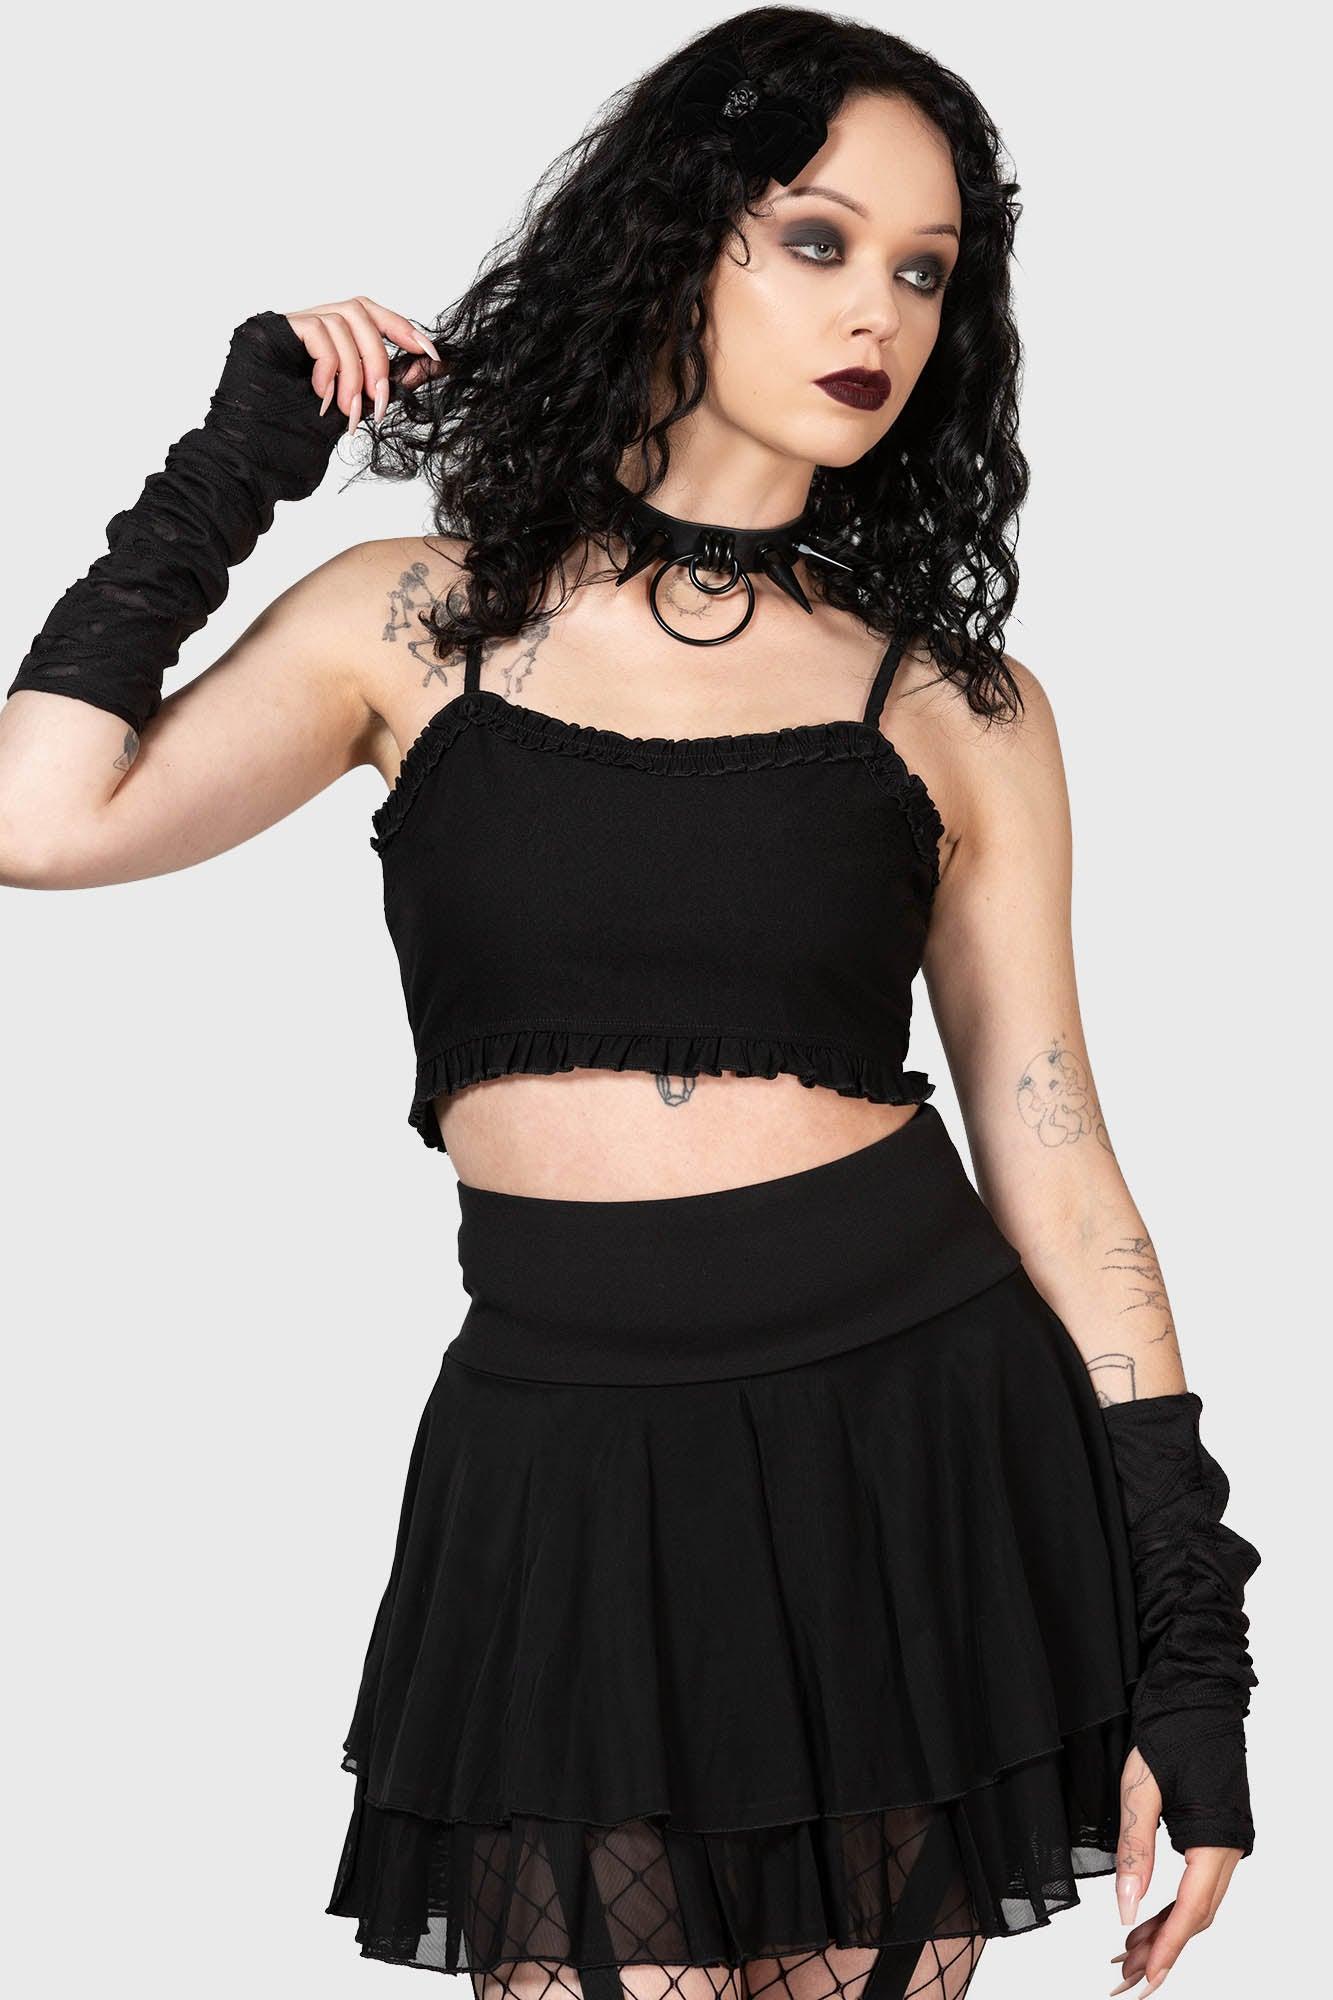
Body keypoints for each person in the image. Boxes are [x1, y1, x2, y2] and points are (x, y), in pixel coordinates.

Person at [0, 11, 1260, 2000]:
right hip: (568, 1462)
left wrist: (1193, 1665)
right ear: (677, 238)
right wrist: (239, 460)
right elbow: (40, 818)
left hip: (911, 1444)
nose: (877, 310)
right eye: (818, 240)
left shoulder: (959, 703)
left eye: (924, 270)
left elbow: (1058, 1161)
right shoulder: (418, 616)